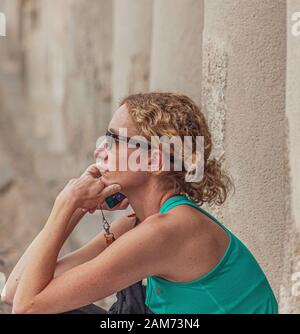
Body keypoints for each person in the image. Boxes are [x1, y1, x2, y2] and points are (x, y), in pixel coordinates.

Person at [1, 92, 278, 314]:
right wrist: (75, 206)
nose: (100, 149)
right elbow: (15, 293)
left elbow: (28, 307)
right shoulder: (140, 224)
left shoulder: (169, 230)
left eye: (114, 139)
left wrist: (65, 203)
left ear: (154, 160)